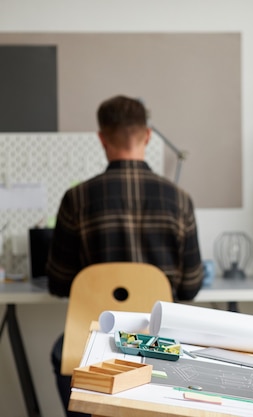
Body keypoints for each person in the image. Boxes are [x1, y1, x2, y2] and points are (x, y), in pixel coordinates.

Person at [47, 95, 204, 417]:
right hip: (161, 344)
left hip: (98, 343)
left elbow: (60, 283)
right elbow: (190, 287)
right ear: (147, 135)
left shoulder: (76, 198)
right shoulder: (179, 199)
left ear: (102, 138)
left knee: (63, 352)